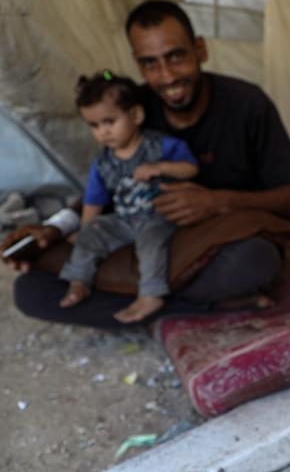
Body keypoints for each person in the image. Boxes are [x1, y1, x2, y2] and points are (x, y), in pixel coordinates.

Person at [2, 0, 290, 328]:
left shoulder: (247, 104)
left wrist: (217, 202)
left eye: (176, 57)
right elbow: (104, 187)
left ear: (200, 50)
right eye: (150, 63)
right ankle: (204, 305)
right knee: (31, 289)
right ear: (138, 64)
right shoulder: (130, 107)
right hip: (144, 241)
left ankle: (148, 299)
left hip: (215, 242)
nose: (166, 76)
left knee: (254, 262)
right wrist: (55, 228)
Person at [59, 71, 198, 323]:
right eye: (94, 126)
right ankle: (79, 281)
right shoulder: (102, 163)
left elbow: (191, 169)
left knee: (151, 242)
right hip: (124, 220)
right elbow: (94, 201)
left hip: (159, 215)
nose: (103, 132)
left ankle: (151, 294)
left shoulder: (160, 145)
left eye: (109, 121)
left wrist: (161, 168)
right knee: (92, 232)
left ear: (136, 115)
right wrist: (86, 229)